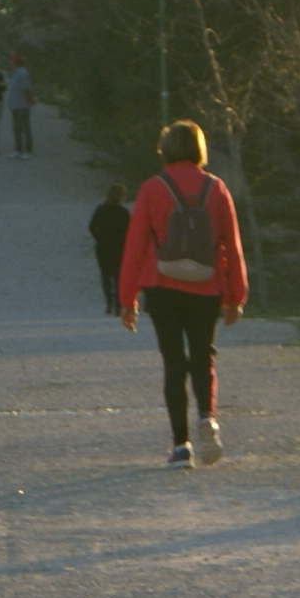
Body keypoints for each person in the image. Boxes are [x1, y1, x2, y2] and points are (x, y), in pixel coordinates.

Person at [118, 119, 247, 469]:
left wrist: (127, 298)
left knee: (173, 363)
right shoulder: (217, 189)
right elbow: (232, 247)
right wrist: (236, 296)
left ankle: (181, 446)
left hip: (162, 287)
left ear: (167, 149)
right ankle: (207, 417)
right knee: (204, 357)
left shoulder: (152, 189)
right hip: (206, 286)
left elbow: (135, 246)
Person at [88, 182, 133, 315]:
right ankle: (118, 305)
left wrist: (99, 237)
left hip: (103, 246)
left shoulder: (101, 209)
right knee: (118, 276)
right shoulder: (123, 212)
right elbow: (130, 231)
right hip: (119, 248)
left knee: (105, 275)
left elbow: (91, 227)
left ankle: (109, 303)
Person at [7, 53, 36, 159]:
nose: (10, 63)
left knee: (25, 127)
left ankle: (28, 150)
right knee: (16, 128)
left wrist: (30, 99)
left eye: (11, 61)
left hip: (22, 105)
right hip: (15, 104)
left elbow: (27, 88)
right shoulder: (14, 73)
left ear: (15, 62)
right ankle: (18, 149)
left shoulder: (23, 73)